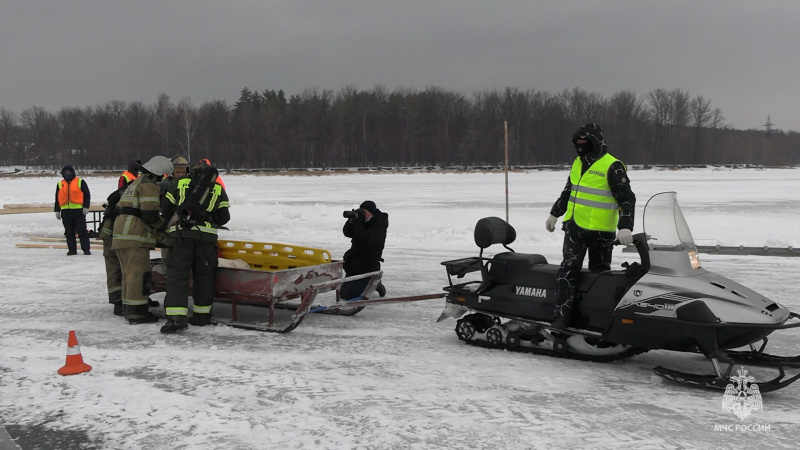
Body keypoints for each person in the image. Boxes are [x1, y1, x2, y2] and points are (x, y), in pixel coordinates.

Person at [545, 123, 636, 329]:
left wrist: (625, 226)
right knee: (568, 272)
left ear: (595, 142)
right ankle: (562, 317)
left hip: (601, 233)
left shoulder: (612, 166)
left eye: (583, 143)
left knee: (600, 277)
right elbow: (569, 190)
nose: (579, 147)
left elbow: (626, 199)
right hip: (575, 228)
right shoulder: (577, 163)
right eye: (576, 143)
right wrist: (555, 213)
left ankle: (597, 317)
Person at [160, 160, 230, 334]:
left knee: (178, 276)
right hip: (206, 238)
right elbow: (223, 217)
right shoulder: (217, 189)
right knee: (204, 275)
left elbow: (166, 209)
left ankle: (177, 319)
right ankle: (202, 315)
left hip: (182, 235)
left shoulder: (181, 183)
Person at [112, 156, 174, 324]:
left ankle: (128, 308)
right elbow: (150, 215)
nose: (161, 179)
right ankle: (137, 313)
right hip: (134, 237)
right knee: (137, 275)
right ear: (158, 172)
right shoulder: (149, 186)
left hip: (121, 235)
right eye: (162, 176)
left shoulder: (136, 183)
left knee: (127, 274)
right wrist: (164, 226)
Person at [339, 200, 388, 301]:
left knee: (350, 296)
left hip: (369, 263)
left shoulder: (379, 223)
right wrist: (352, 220)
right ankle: (372, 283)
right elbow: (347, 233)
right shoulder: (361, 221)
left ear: (370, 212)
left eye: (363, 211)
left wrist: (357, 223)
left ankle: (375, 282)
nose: (362, 213)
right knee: (343, 295)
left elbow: (368, 240)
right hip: (355, 263)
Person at [54, 165, 92, 256]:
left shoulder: (80, 181)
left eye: (69, 172)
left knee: (82, 231)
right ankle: (72, 250)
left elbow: (87, 195)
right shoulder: (60, 184)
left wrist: (86, 207)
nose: (68, 174)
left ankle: (86, 250)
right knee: (69, 233)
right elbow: (57, 198)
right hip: (66, 212)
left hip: (78, 211)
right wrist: (57, 210)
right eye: (66, 172)